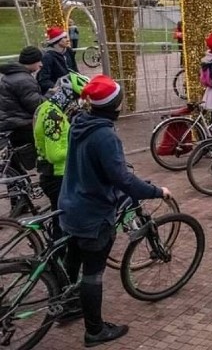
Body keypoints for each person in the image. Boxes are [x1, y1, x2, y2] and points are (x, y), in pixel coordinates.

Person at [59, 74, 171, 346]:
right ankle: (95, 330)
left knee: (73, 259)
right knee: (93, 273)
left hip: (70, 204)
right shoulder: (105, 136)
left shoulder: (80, 123)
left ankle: (67, 304)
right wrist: (157, 191)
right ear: (115, 107)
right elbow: (123, 179)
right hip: (93, 213)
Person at [33, 72, 89, 211]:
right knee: (64, 226)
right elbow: (55, 154)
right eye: (77, 98)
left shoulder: (49, 108)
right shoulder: (54, 116)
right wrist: (81, 147)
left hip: (57, 174)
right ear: (67, 95)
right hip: (58, 176)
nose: (78, 104)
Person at [0, 46, 45, 172]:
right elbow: (37, 106)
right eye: (39, 61)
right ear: (32, 61)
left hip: (8, 123)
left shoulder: (10, 76)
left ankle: (19, 185)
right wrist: (52, 94)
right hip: (20, 125)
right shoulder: (23, 79)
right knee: (46, 143)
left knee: (14, 161)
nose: (41, 64)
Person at [38, 26, 72, 94]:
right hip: (58, 91)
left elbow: (74, 68)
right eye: (64, 37)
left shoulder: (68, 51)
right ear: (57, 40)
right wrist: (56, 87)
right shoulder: (48, 57)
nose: (68, 40)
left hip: (71, 87)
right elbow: (43, 79)